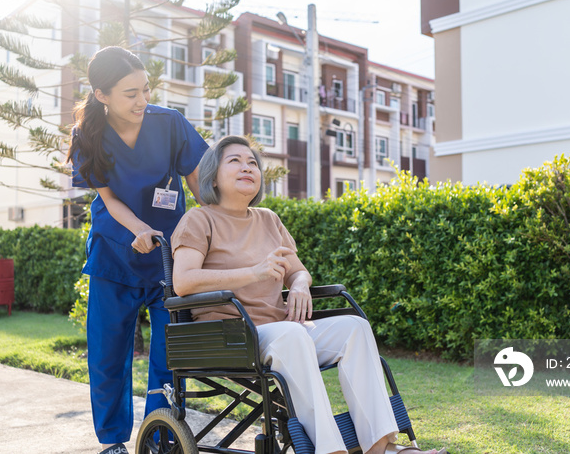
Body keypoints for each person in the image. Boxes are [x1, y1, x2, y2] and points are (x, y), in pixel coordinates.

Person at [170, 136, 446, 454]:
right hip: (229, 335)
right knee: (292, 335)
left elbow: (298, 271)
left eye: (252, 163)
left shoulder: (269, 219)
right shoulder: (199, 219)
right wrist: (253, 273)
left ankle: (382, 447)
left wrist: (299, 285)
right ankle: (329, 449)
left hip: (279, 330)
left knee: (355, 328)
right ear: (212, 175)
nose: (247, 167)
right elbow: (184, 282)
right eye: (234, 161)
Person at [66, 46, 208, 454]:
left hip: (171, 260)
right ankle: (112, 442)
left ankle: (160, 438)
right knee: (108, 358)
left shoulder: (170, 124)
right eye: (130, 93)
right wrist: (141, 228)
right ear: (101, 95)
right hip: (115, 255)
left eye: (146, 89)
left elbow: (201, 189)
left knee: (169, 358)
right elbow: (109, 201)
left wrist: (215, 234)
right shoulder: (87, 135)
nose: (142, 101)